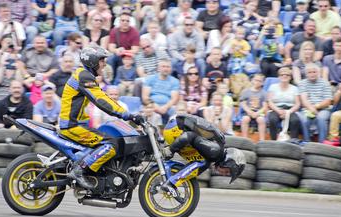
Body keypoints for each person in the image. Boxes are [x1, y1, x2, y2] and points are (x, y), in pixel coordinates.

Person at [58, 46, 143, 191]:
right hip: (72, 126)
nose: (104, 64)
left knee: (109, 137)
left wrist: (126, 114)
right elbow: (101, 101)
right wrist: (126, 115)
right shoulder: (84, 76)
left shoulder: (85, 75)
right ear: (92, 62)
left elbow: (103, 96)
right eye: (102, 60)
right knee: (110, 144)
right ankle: (79, 171)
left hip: (79, 124)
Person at [161, 113, 246, 195]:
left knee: (200, 166)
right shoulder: (215, 151)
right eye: (227, 172)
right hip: (176, 128)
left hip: (176, 127)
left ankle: (166, 171)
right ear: (228, 162)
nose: (224, 174)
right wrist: (171, 149)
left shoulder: (216, 148)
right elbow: (190, 136)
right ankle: (171, 183)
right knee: (203, 162)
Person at [298, 63, 333, 143]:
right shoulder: (302, 83)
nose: (312, 74)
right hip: (307, 108)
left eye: (314, 72)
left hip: (323, 109)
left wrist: (316, 107)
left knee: (321, 118)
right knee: (304, 119)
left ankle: (322, 142)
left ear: (318, 73)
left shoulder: (325, 83)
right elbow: (304, 100)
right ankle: (306, 141)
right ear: (306, 74)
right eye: (309, 72)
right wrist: (312, 109)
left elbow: (328, 101)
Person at [267, 67, 301, 141]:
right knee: (273, 119)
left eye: (287, 75)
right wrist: (278, 111)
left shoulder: (295, 88)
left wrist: (289, 112)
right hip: (276, 109)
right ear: (279, 77)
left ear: (290, 77)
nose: (284, 76)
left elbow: (297, 104)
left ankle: (293, 141)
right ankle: (273, 140)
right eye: (282, 75)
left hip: (290, 109)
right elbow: (269, 101)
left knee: (295, 120)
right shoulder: (273, 87)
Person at [141, 59, 180, 124]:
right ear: (158, 68)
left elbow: (174, 99)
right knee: (146, 110)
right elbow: (145, 97)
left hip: (168, 106)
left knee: (175, 111)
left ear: (171, 69)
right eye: (163, 66)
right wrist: (156, 106)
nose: (165, 69)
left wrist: (165, 107)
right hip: (152, 104)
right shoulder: (150, 79)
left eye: (168, 67)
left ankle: (173, 132)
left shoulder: (175, 81)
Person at [239, 74, 267, 141]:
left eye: (260, 81)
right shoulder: (246, 91)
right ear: (252, 80)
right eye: (256, 80)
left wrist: (257, 113)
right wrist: (250, 112)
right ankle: (244, 139)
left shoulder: (263, 93)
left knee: (261, 120)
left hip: (259, 112)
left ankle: (262, 139)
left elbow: (265, 106)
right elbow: (243, 104)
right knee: (245, 119)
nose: (257, 82)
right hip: (248, 112)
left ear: (262, 83)